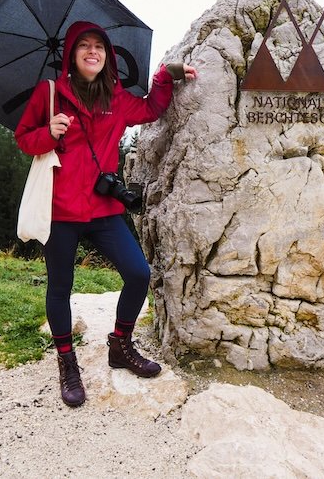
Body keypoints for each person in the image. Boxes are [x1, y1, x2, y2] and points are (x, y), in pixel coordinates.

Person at [15, 21, 197, 407]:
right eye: (84, 46)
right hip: (60, 209)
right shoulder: (51, 94)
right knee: (60, 288)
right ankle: (67, 362)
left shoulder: (116, 98)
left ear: (107, 56)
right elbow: (24, 139)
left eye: (99, 46)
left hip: (102, 207)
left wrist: (166, 75)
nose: (92, 51)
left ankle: (120, 345)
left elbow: (151, 109)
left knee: (138, 273)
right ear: (72, 54)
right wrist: (50, 131)